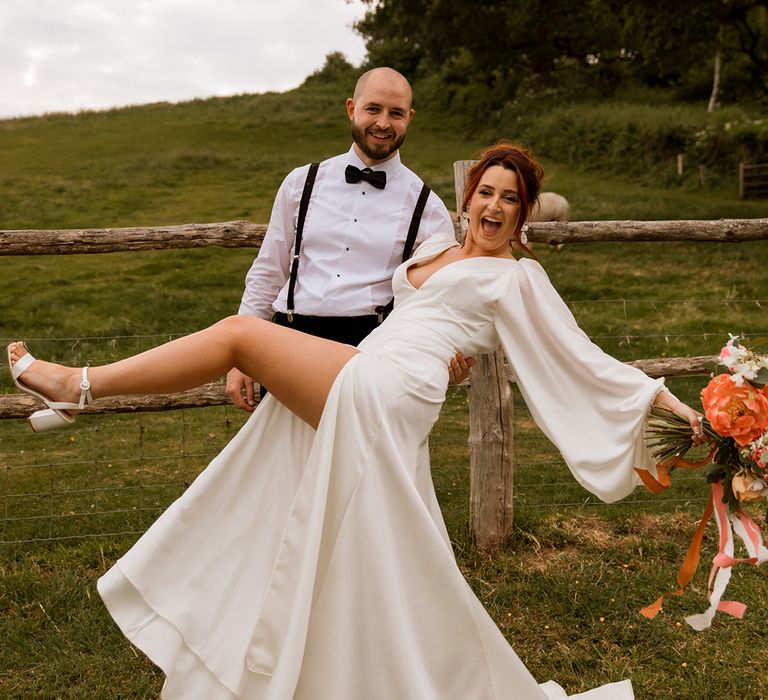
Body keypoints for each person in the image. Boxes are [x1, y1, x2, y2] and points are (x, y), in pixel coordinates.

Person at [8, 142, 705, 700]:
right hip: (377, 373)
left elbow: (589, 359)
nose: (494, 205)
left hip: (391, 389)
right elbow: (411, 311)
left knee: (240, 336)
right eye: (485, 192)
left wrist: (683, 413)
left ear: (525, 215)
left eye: (510, 199)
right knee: (292, 502)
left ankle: (80, 387)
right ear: (468, 199)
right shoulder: (439, 255)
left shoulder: (518, 279)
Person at [228, 66, 472, 411]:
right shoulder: (301, 183)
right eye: (373, 109)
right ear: (351, 109)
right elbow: (269, 270)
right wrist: (243, 354)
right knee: (283, 462)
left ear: (410, 118)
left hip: (369, 354)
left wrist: (443, 355)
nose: (383, 123)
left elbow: (433, 301)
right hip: (285, 345)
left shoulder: (427, 208)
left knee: (357, 464)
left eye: (396, 113)